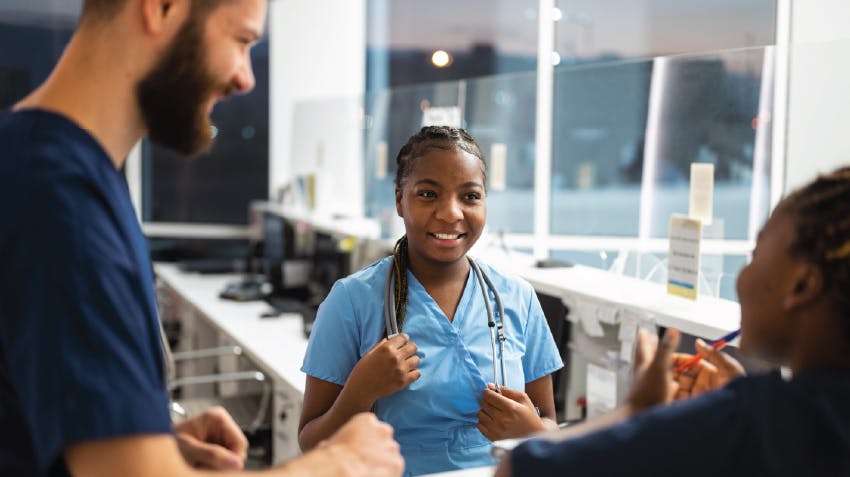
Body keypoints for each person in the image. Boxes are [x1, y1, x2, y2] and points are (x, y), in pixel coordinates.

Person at [0, 1, 403, 476]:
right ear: (160, 8)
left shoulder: (36, 161)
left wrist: (151, 440)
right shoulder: (59, 197)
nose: (246, 79)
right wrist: (337, 464)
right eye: (241, 40)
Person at [494, 167, 850, 476]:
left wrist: (637, 410)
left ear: (802, 285)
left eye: (755, 255)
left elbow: (520, 469)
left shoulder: (751, 423)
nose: (742, 278)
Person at [298, 126, 564, 476]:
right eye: (428, 194)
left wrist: (531, 434)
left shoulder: (517, 298)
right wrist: (360, 392)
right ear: (399, 200)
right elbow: (311, 443)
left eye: (470, 196)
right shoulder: (351, 300)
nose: (451, 213)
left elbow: (549, 423)